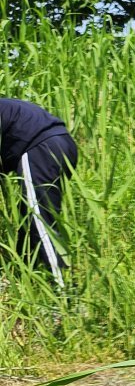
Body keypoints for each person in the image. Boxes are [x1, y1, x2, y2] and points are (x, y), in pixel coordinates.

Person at [0, 97, 77, 287]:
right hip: (64, 143)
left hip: (40, 147)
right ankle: (23, 278)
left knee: (39, 219)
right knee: (30, 220)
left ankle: (64, 293)